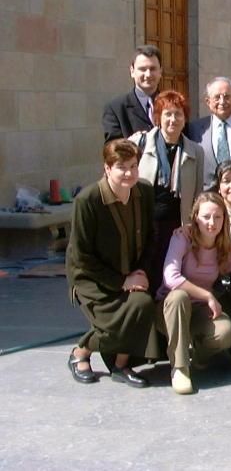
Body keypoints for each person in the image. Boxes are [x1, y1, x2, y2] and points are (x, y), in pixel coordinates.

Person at [65, 139, 157, 387]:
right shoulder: (88, 200)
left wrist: (140, 273)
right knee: (113, 324)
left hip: (132, 274)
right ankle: (81, 353)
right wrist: (121, 281)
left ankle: (120, 365)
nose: (129, 173)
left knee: (142, 306)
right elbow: (81, 256)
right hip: (93, 278)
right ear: (107, 168)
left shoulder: (145, 192)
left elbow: (151, 238)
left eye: (133, 166)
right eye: (121, 167)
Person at [157, 192, 231, 394]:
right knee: (179, 296)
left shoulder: (227, 248)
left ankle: (199, 356)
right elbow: (170, 279)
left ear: (224, 219)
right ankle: (180, 368)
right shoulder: (182, 237)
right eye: (206, 216)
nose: (211, 222)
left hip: (199, 310)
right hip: (170, 308)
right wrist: (208, 295)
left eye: (217, 217)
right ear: (195, 217)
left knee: (226, 333)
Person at [130, 90, 205, 295]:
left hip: (175, 228)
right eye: (167, 114)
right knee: (145, 271)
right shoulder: (140, 144)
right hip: (144, 224)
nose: (173, 119)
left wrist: (190, 224)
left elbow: (198, 193)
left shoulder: (196, 151)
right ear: (158, 117)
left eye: (178, 114)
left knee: (169, 277)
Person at [188, 77, 231, 189]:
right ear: (207, 101)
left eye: (227, 96)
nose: (222, 101)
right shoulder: (194, 129)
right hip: (208, 199)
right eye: (217, 97)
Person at [102, 45, 162, 142]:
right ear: (132, 71)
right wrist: (131, 143)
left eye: (153, 68)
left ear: (160, 72)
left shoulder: (173, 104)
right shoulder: (115, 108)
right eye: (142, 69)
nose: (148, 74)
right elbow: (112, 149)